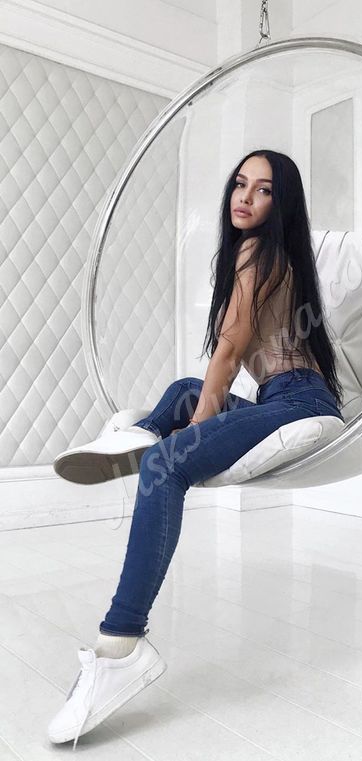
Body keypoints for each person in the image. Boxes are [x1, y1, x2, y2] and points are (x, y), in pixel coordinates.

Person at [48, 149, 345, 748]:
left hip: (300, 401)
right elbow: (224, 361)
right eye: (240, 184)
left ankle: (120, 646)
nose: (246, 197)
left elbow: (230, 352)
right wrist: (199, 412)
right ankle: (144, 433)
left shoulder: (260, 251)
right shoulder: (259, 254)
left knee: (166, 462)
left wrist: (199, 426)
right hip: (278, 396)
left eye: (264, 190)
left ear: (280, 203)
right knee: (186, 388)